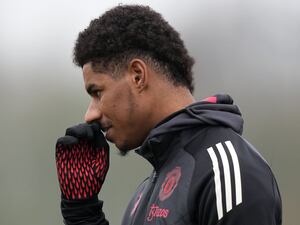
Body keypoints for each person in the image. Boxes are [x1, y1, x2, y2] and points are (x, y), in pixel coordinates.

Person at [55, 4, 282, 225]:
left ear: (137, 76)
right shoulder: (147, 191)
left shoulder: (227, 173)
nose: (90, 114)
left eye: (97, 92)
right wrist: (83, 214)